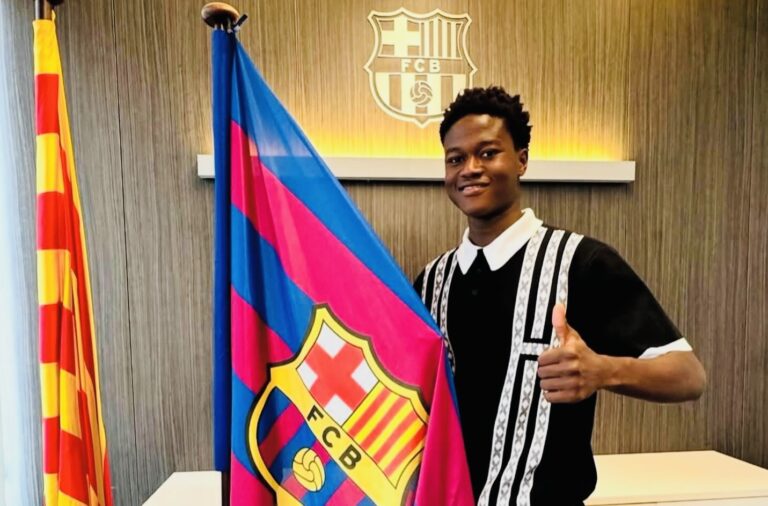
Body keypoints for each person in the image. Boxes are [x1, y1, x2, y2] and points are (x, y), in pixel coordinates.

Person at [414, 86, 706, 506]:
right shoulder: (431, 280)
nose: (470, 169)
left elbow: (689, 376)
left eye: (488, 153)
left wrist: (603, 370)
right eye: (455, 159)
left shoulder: (581, 263)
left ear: (521, 160)